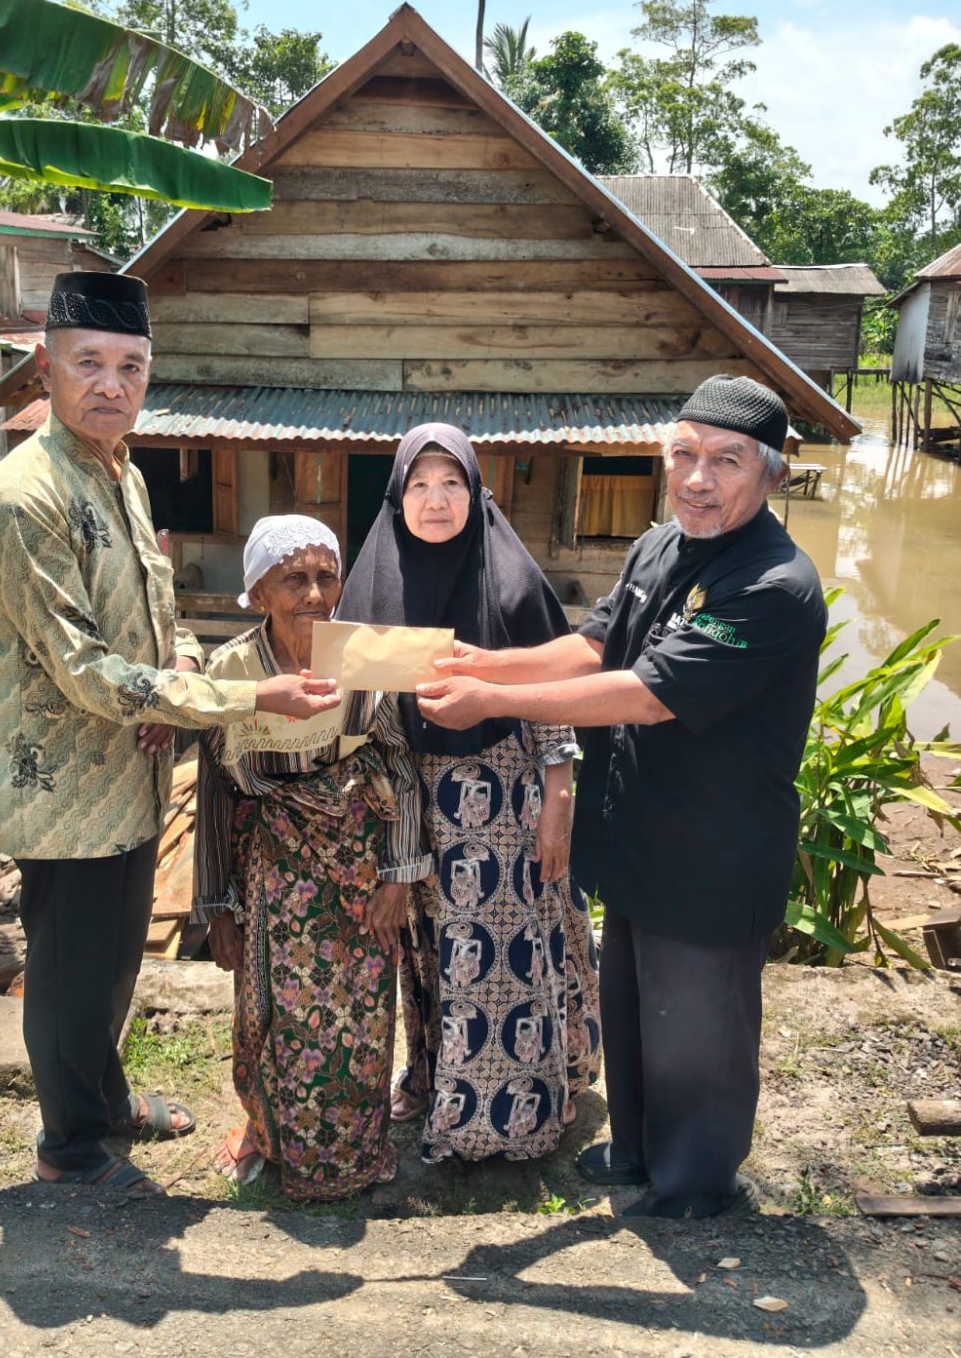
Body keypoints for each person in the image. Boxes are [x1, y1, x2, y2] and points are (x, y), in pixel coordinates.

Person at [416, 375, 826, 1218]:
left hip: (716, 851)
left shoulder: (774, 585)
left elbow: (646, 693)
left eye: (725, 461)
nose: (697, 479)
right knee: (637, 1009)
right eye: (682, 455)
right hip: (641, 832)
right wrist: (484, 664)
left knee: (700, 1030)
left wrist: (495, 701)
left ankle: (695, 1186)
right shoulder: (659, 547)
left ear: (773, 476)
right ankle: (638, 1151)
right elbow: (594, 643)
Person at [0, 272, 338, 1198]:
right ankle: (72, 1145)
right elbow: (85, 669)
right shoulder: (25, 498)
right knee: (69, 970)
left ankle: (107, 1101)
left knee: (112, 959)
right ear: (44, 366)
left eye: (129, 366)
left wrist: (173, 692)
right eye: (88, 363)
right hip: (64, 787)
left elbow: (155, 617)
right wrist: (242, 701)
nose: (110, 384)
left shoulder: (120, 473)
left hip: (129, 767)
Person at [337, 425, 601, 1165]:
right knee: (431, 957)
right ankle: (434, 1081)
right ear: (398, 497)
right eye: (419, 484)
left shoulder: (510, 579)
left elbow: (558, 694)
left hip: (506, 807)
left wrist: (558, 804)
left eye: (451, 482)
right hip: (415, 810)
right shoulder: (374, 586)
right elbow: (355, 710)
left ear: (477, 491)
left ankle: (506, 1118)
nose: (436, 499)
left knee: (497, 961)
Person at [193, 515, 431, 1200]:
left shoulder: (360, 655)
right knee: (268, 1010)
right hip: (269, 866)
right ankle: (265, 1132)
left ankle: (355, 1145)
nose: (315, 594)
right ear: (258, 590)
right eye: (293, 579)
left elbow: (397, 760)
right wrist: (216, 907)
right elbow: (213, 793)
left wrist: (397, 876)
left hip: (356, 865)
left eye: (327, 576)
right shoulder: (231, 671)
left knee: (356, 1014)